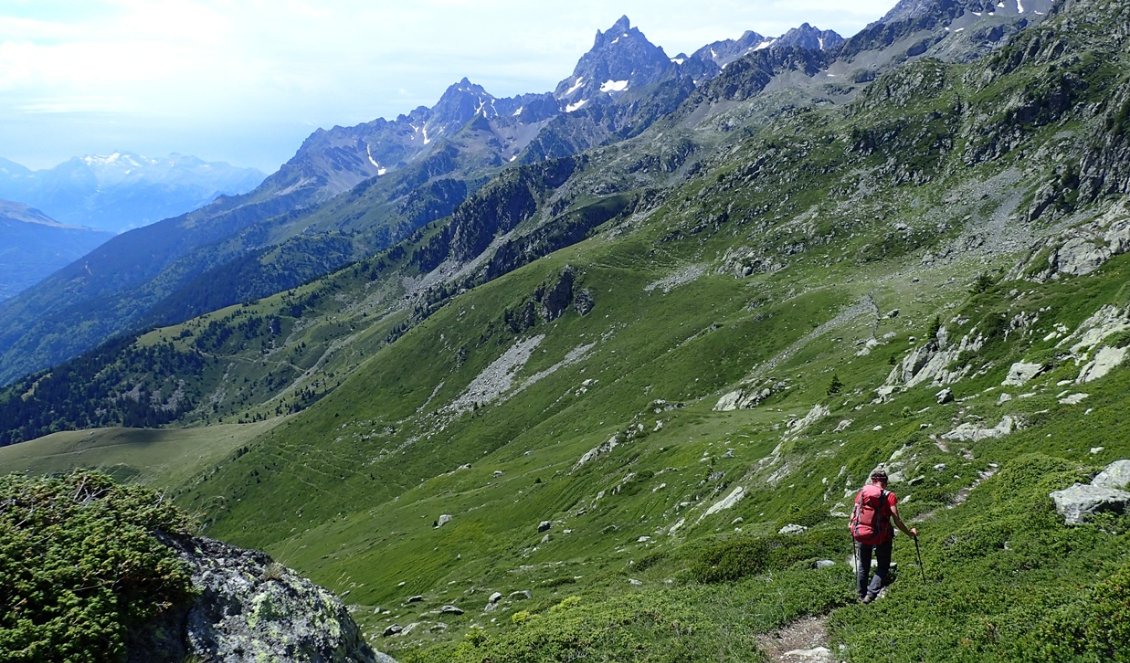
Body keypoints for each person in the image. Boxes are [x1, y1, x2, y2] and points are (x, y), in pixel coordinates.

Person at [849, 468, 918, 603]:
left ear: (873, 480)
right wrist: (910, 533)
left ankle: (860, 595)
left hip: (862, 534)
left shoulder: (862, 493)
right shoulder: (889, 496)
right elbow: (897, 520)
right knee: (883, 566)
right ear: (885, 482)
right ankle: (870, 595)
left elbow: (853, 514)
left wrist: (852, 526)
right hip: (882, 536)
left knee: (863, 565)